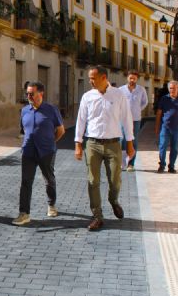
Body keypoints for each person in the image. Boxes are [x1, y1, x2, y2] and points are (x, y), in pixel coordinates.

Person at [74, 65, 134, 231]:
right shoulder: (87, 96)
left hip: (114, 144)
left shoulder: (118, 95)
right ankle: (97, 216)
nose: (90, 81)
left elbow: (127, 120)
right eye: (89, 78)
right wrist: (78, 144)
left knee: (115, 180)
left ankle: (113, 200)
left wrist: (129, 144)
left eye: (93, 78)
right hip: (92, 144)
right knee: (93, 181)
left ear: (103, 77)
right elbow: (81, 121)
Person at [12, 81, 65, 226]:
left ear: (41, 94)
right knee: (26, 182)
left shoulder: (51, 110)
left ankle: (51, 204)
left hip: (46, 151)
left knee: (49, 179)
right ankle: (24, 213)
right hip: (28, 152)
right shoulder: (24, 111)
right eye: (27, 93)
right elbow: (23, 130)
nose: (29, 96)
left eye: (32, 93)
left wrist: (52, 142)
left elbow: (61, 130)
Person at [155, 80, 178, 173]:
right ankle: (162, 165)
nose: (172, 90)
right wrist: (157, 127)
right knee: (162, 147)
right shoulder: (164, 99)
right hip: (165, 128)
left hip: (177, 129)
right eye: (170, 88)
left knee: (174, 148)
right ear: (168, 89)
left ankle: (171, 166)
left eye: (174, 88)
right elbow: (159, 114)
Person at [119, 70, 148, 171]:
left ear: (137, 79)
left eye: (134, 78)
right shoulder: (121, 90)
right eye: (130, 78)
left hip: (136, 119)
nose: (132, 80)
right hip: (123, 119)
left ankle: (131, 164)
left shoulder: (141, 90)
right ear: (127, 78)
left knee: (133, 140)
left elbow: (145, 102)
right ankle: (123, 162)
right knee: (122, 140)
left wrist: (138, 109)